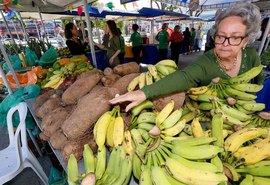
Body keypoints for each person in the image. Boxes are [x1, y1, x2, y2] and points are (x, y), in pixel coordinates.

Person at [110, 2, 264, 112]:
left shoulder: (252, 58)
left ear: (246, 40)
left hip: (245, 116)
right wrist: (144, 92)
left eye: (235, 37)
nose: (225, 43)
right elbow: (184, 76)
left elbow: (259, 88)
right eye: (221, 36)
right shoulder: (207, 61)